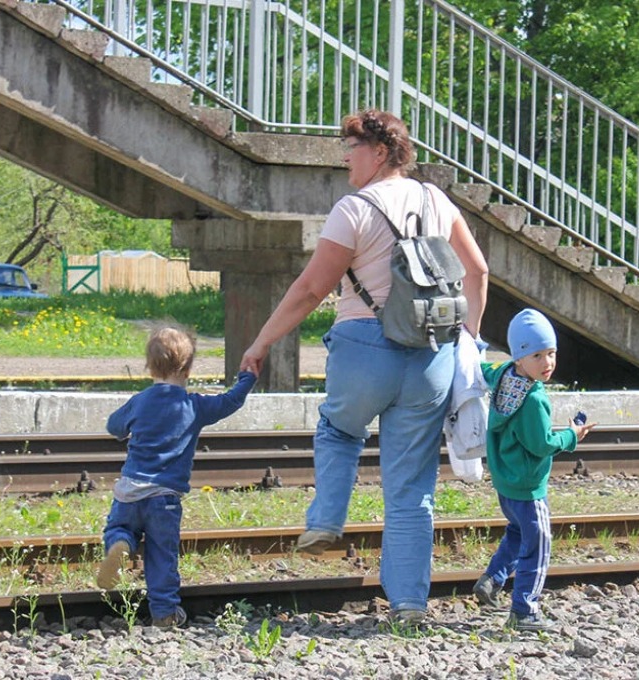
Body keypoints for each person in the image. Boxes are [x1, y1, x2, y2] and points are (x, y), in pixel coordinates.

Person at [239, 109, 489, 625]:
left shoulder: (353, 209)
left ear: (380, 152)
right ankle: (409, 605)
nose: (344, 157)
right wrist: (469, 340)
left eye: (351, 146)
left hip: (364, 349)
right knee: (411, 489)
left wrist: (261, 342)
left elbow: (311, 289)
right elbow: (477, 271)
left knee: (338, 429)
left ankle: (327, 520)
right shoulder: (436, 200)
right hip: (431, 358)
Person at [98, 325, 257, 628]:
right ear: (187, 368)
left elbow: (113, 426)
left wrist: (127, 430)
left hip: (129, 491)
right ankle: (165, 613)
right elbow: (231, 401)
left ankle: (120, 544)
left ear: (149, 366)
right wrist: (247, 378)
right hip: (165, 500)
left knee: (118, 528)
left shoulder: (140, 401)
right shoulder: (194, 405)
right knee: (162, 556)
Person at [472, 308, 595, 631]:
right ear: (520, 357)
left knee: (517, 531)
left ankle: (492, 579)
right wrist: (572, 435)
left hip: (505, 481)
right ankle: (524, 610)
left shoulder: (503, 375)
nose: (547, 363)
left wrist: (472, 353)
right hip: (528, 486)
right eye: (537, 355)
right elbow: (541, 443)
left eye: (551, 353)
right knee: (538, 542)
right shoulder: (534, 399)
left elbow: (483, 370)